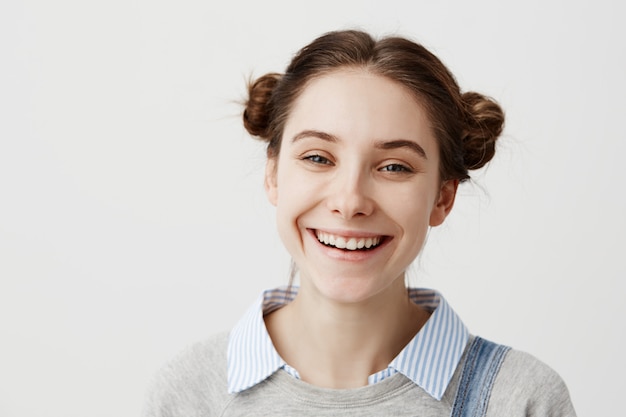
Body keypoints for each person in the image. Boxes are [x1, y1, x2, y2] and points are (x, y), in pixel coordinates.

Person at [143, 29, 576, 416]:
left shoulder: (520, 400)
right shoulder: (188, 395)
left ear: (443, 198)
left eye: (394, 167)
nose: (350, 202)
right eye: (317, 158)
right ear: (273, 175)